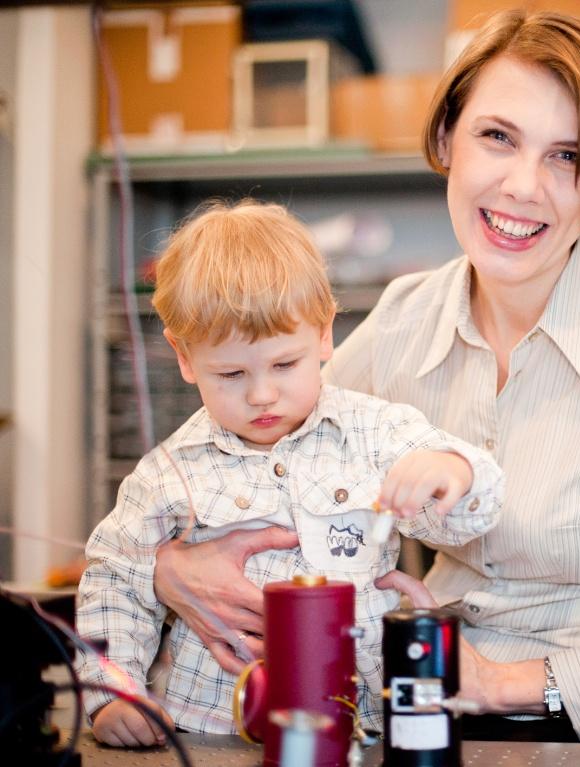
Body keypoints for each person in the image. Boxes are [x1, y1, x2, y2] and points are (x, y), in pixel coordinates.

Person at [152, 11, 580, 744]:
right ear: (448, 139)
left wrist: (504, 683)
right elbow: (267, 451)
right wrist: (168, 566)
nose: (522, 185)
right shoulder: (404, 320)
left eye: (566, 156)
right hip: (412, 717)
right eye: (497, 137)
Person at [76, 200, 503, 747]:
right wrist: (112, 696)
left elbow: (469, 519)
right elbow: (113, 581)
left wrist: (453, 472)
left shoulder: (375, 434)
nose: (262, 394)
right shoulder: (168, 474)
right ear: (184, 357)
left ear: (324, 334)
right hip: (213, 731)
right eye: (230, 373)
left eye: (284, 364)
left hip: (360, 726)